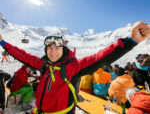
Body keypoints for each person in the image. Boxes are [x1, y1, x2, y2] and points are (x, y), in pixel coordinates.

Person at [0, 21, 149, 114]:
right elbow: (23, 55)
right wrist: (2, 43)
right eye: (49, 49)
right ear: (45, 51)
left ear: (63, 49)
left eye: (56, 48)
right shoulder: (43, 65)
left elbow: (100, 57)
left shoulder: (73, 67)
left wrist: (130, 42)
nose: (53, 52)